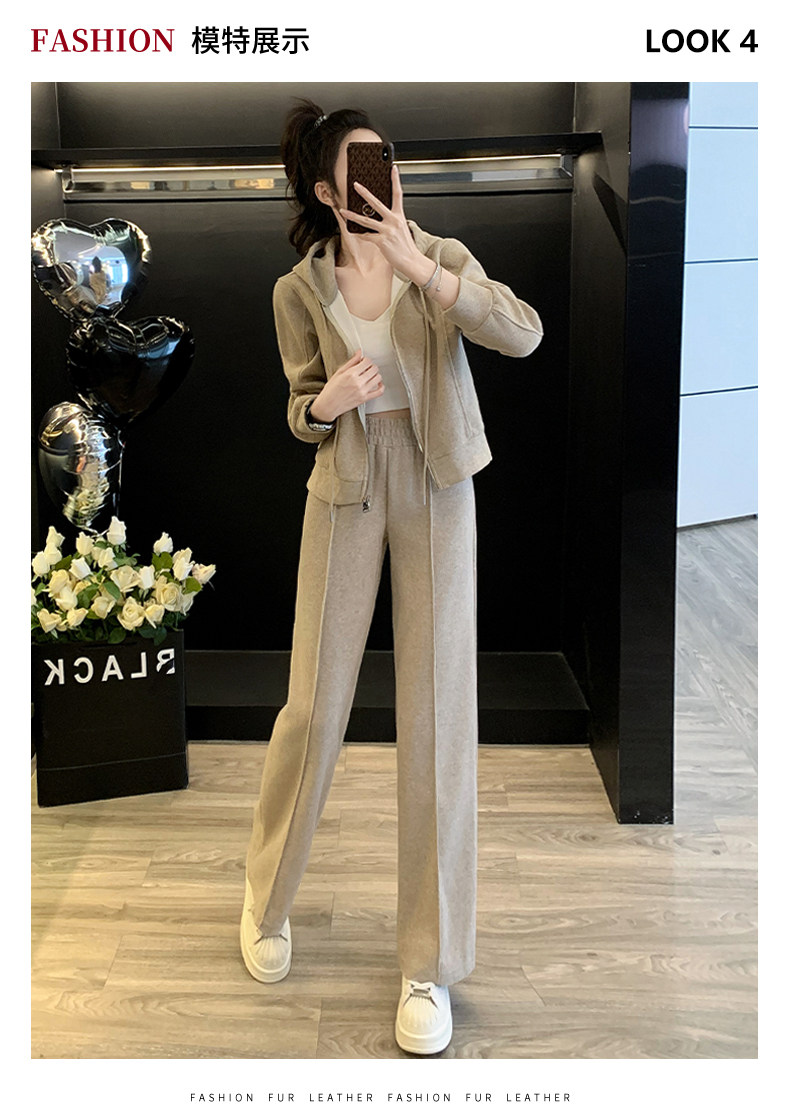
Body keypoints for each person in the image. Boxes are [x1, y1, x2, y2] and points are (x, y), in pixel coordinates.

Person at [241, 98, 544, 1056]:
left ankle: (429, 963)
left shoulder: (437, 255)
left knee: (440, 715)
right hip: (346, 487)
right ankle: (265, 897)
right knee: (313, 705)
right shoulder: (298, 288)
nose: (383, 178)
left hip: (438, 483)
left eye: (388, 160)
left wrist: (427, 274)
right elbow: (300, 408)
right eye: (360, 167)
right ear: (326, 190)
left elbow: (524, 333)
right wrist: (325, 403)